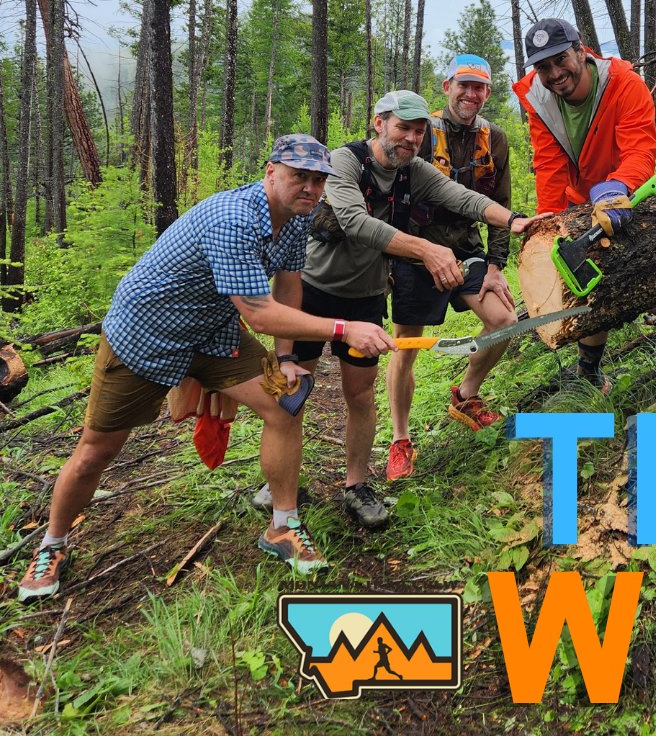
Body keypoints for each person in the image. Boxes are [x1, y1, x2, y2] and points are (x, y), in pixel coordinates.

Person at [18, 135, 397, 602]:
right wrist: (342, 329)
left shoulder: (297, 219)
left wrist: (284, 358)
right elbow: (259, 311)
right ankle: (52, 544)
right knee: (97, 450)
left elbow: (287, 286)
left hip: (215, 331)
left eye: (318, 180)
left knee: (286, 406)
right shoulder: (233, 217)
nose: (310, 188)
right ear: (270, 171)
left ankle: (283, 526)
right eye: (299, 176)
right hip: (147, 332)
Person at [280, 90, 543, 531]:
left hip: (364, 298)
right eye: (403, 127)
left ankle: (356, 485)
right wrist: (426, 249)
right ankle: (283, 481)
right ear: (379, 122)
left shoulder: (414, 171)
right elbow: (353, 221)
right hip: (311, 291)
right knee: (295, 389)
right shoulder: (346, 162)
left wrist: (514, 219)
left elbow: (464, 198)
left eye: (419, 131)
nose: (411, 138)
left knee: (360, 395)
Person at [386, 55, 515, 482]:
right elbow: (388, 196)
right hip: (414, 252)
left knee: (504, 321)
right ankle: (400, 440)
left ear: (487, 94)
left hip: (466, 250)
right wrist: (393, 257)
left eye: (478, 87)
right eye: (463, 85)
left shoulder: (494, 139)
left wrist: (496, 265)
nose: (470, 94)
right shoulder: (420, 133)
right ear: (447, 87)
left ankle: (465, 395)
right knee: (406, 347)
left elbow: (502, 205)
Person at [513, 18, 656, 388]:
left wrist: (617, 188)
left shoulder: (625, 84)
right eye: (543, 66)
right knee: (581, 279)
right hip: (579, 201)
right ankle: (588, 374)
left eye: (561, 59)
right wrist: (549, 224)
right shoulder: (538, 97)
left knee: (616, 276)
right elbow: (548, 163)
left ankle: (590, 367)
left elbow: (640, 147)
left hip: (619, 192)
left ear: (581, 50)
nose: (554, 73)